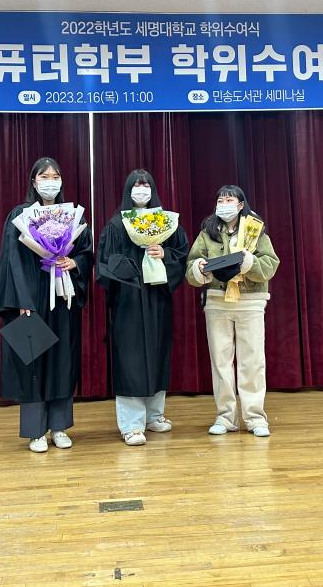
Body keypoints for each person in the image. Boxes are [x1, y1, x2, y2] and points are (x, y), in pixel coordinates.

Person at [0, 157, 93, 453]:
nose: (50, 181)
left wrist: (74, 262)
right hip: (33, 300)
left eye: (55, 176)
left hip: (62, 298)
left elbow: (86, 252)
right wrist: (22, 300)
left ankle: (59, 427)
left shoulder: (71, 215)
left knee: (63, 360)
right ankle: (36, 431)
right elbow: (12, 261)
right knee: (34, 363)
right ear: (34, 182)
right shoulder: (21, 214)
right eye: (44, 176)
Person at [96, 169, 189, 446]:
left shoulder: (166, 223)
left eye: (146, 184)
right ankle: (132, 425)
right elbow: (105, 263)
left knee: (158, 353)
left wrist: (164, 253)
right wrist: (131, 267)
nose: (141, 189)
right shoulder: (116, 226)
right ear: (128, 190)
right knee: (131, 359)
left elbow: (181, 254)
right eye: (136, 184)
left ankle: (154, 416)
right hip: (129, 300)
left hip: (157, 299)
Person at [186, 185, 279, 437]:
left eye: (229, 200)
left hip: (250, 301)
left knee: (252, 361)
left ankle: (255, 418)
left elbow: (270, 264)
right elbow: (191, 266)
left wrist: (249, 262)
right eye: (220, 200)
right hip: (217, 301)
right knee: (220, 362)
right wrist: (199, 268)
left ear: (240, 205)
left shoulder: (255, 230)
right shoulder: (207, 232)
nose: (224, 203)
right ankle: (225, 417)